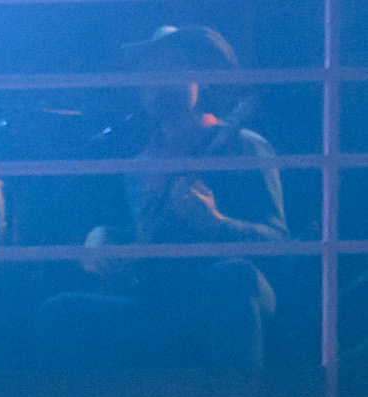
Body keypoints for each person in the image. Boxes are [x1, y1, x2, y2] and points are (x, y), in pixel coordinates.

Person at [40, 24, 291, 369]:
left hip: (227, 300)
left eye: (171, 67)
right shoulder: (137, 169)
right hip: (161, 311)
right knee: (60, 314)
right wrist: (104, 239)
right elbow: (147, 242)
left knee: (231, 277)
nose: (158, 81)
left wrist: (217, 225)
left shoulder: (244, 145)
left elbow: (280, 243)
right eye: (149, 72)